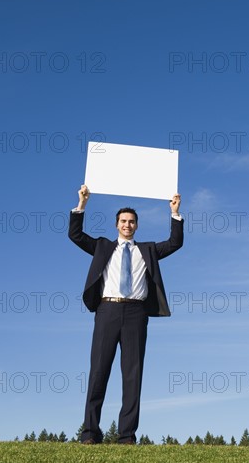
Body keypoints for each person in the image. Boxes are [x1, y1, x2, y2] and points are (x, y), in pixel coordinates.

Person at [69, 184, 184, 444]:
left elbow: (175, 242)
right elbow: (75, 235)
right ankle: (90, 433)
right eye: (123, 221)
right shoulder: (101, 247)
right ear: (116, 224)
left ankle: (126, 435)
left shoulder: (148, 250)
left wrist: (175, 212)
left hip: (135, 313)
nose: (127, 225)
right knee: (99, 370)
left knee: (132, 374)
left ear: (137, 226)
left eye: (131, 222)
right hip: (107, 310)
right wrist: (82, 205)